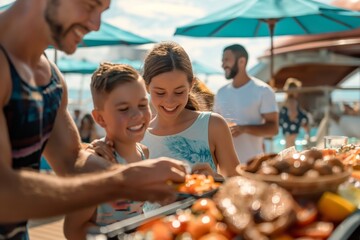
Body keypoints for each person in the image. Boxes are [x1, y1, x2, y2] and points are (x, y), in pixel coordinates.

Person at [0, 1, 187, 239]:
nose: (95, 25)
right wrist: (122, 181)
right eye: (90, 6)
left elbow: (71, 161)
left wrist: (158, 178)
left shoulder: (51, 77)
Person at [90, 41, 240, 178]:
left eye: (179, 92)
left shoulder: (213, 125)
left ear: (191, 84)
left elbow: (240, 185)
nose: (170, 101)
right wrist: (92, 153)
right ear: (146, 87)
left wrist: (216, 180)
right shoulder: (136, 136)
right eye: (160, 93)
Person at [64, 63, 152, 239]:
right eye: (124, 109)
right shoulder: (94, 164)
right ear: (99, 118)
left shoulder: (144, 153)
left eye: (142, 105)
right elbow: (73, 230)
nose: (138, 115)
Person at [213, 44, 279, 163]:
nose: (223, 65)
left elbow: (273, 129)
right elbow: (214, 126)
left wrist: (244, 128)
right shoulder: (220, 93)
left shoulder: (263, 90)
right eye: (222, 61)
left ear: (242, 61)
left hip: (253, 164)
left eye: (226, 60)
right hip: (225, 166)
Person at [279, 78, 310, 148]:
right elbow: (293, 114)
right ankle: (290, 158)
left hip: (287, 126)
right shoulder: (292, 101)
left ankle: (287, 157)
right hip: (291, 126)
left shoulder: (286, 101)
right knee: (291, 144)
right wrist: (299, 121)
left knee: (288, 144)